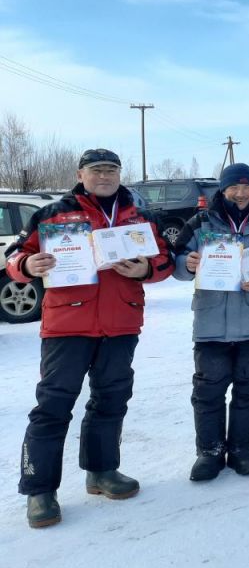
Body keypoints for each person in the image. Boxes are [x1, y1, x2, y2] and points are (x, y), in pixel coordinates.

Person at [5, 148, 173, 528]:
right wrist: (28, 265)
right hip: (68, 325)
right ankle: (40, 491)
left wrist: (146, 267)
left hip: (121, 323)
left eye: (111, 170)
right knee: (53, 406)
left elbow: (166, 259)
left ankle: (102, 472)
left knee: (110, 400)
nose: (104, 176)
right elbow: (16, 256)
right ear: (81, 174)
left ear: (119, 174)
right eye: (96, 170)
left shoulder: (139, 216)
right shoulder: (53, 214)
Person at [172, 163, 249, 481]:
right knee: (208, 389)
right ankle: (209, 452)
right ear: (222, 190)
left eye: (247, 187)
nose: (240, 193)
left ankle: (242, 449)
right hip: (211, 321)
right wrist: (188, 263)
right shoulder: (201, 223)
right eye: (233, 187)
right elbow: (176, 262)